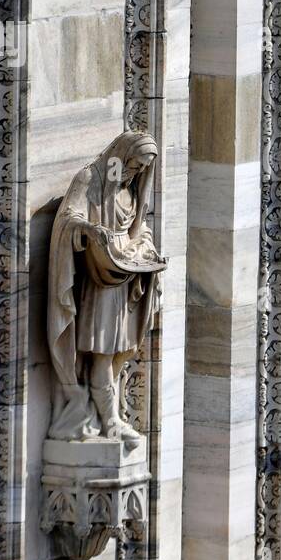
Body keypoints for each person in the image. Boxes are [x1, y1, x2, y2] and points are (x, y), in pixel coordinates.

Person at [47, 131, 165, 443]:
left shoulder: (131, 191)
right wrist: (89, 229)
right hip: (101, 281)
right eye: (133, 164)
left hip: (126, 279)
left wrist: (145, 247)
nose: (134, 172)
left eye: (141, 169)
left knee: (118, 354)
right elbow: (68, 218)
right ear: (122, 154)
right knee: (102, 353)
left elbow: (139, 229)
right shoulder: (90, 179)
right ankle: (109, 421)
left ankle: (109, 415)